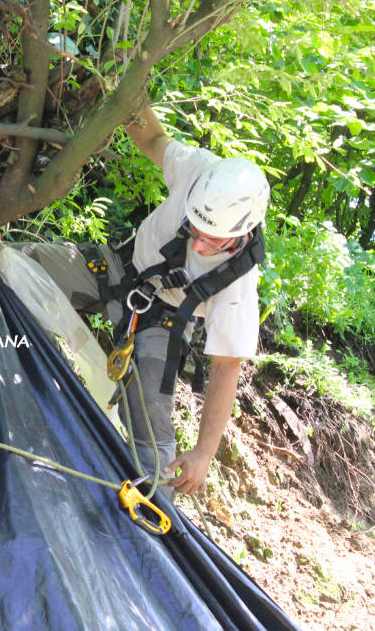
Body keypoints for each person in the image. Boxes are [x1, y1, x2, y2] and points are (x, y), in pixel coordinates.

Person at [120, 105, 269, 496]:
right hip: (115, 271)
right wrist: (125, 93)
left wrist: (203, 453)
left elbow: (226, 366)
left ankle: (152, 511)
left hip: (163, 319)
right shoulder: (198, 171)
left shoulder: (238, 281)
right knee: (10, 266)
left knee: (150, 429)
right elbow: (153, 139)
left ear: (242, 233)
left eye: (212, 240)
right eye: (194, 229)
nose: (198, 246)